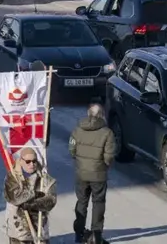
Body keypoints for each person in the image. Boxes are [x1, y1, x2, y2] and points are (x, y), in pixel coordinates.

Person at [69, 104, 115, 244]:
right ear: (102, 115)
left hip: (81, 174)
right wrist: (104, 165)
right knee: (98, 203)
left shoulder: (77, 130)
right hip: (98, 174)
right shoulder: (107, 133)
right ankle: (96, 236)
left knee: (81, 202)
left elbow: (72, 150)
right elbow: (109, 156)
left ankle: (79, 234)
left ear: (88, 113)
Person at [3, 147, 57, 244]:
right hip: (18, 229)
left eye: (34, 161)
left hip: (40, 227)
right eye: (28, 161)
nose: (31, 164)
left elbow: (51, 200)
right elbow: (15, 197)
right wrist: (34, 194)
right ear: (21, 161)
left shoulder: (44, 178)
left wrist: (32, 204)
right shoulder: (13, 177)